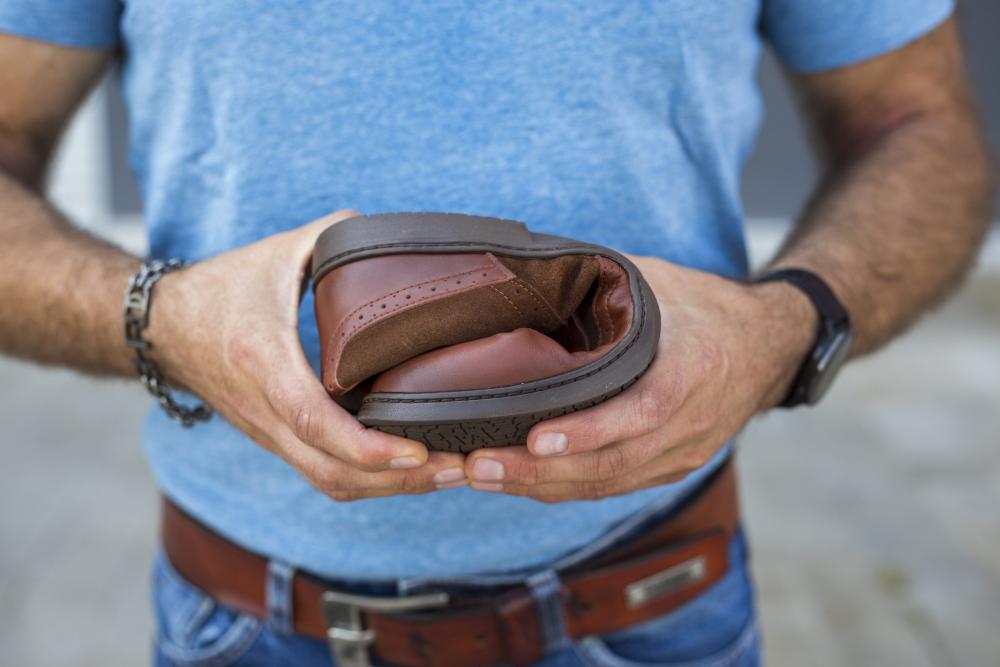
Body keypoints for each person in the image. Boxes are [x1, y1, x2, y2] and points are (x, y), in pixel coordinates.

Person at [0, 2, 994, 666]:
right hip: (244, 618)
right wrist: (160, 320)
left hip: (653, 598)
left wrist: (785, 327)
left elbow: (918, 126)